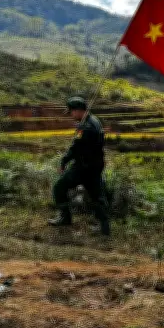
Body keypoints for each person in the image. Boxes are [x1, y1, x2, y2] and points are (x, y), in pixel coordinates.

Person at [48, 97, 110, 236]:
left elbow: (76, 148)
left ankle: (65, 218)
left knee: (59, 187)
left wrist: (64, 160)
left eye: (71, 112)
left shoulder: (86, 126)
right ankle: (104, 227)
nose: (71, 115)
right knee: (97, 196)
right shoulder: (95, 122)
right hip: (95, 166)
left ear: (77, 111)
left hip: (83, 168)